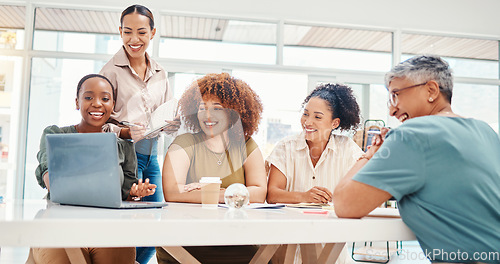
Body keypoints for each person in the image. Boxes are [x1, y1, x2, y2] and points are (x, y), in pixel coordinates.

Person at [334, 55, 500, 263]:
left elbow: (344, 204)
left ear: (431, 90)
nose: (391, 110)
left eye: (396, 95)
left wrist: (370, 154)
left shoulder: (413, 133)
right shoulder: (486, 132)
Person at [33, 74, 156, 264]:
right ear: (77, 102)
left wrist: (135, 192)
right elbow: (49, 178)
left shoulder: (124, 146)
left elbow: (125, 197)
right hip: (61, 225)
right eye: (88, 97)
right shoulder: (55, 134)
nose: (97, 103)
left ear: (113, 105)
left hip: (107, 228)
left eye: (105, 99)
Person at [157, 72, 267, 263]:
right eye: (202, 108)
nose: (208, 115)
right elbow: (173, 193)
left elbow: (259, 193)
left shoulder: (247, 145)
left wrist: (209, 192)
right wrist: (235, 195)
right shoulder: (183, 143)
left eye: (217, 108)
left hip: (237, 243)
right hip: (186, 243)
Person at [99, 5, 177, 263]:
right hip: (122, 158)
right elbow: (98, 123)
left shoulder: (160, 73)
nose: (135, 39)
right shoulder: (109, 72)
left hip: (152, 155)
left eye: (141, 32)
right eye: (128, 32)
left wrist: (172, 122)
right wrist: (124, 130)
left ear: (152, 33)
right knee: (125, 226)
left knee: (155, 225)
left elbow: (170, 119)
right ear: (120, 32)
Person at [266, 83, 363, 264]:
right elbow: (272, 195)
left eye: (317, 117)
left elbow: (361, 191)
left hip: (331, 244)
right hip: (288, 246)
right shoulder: (285, 147)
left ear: (335, 123)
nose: (308, 122)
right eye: (305, 114)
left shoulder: (348, 149)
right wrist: (305, 196)